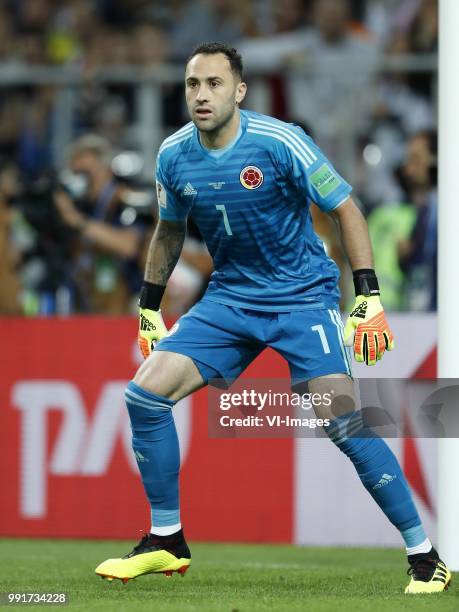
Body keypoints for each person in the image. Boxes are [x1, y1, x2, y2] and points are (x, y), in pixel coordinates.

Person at [95, 43, 451, 594]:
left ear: (239, 91)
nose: (201, 95)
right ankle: (167, 540)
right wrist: (148, 304)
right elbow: (168, 231)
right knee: (144, 395)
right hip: (230, 300)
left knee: (344, 421)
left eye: (214, 84)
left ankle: (425, 555)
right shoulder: (173, 155)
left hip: (302, 298)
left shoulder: (280, 140)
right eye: (193, 85)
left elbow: (346, 209)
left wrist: (368, 297)